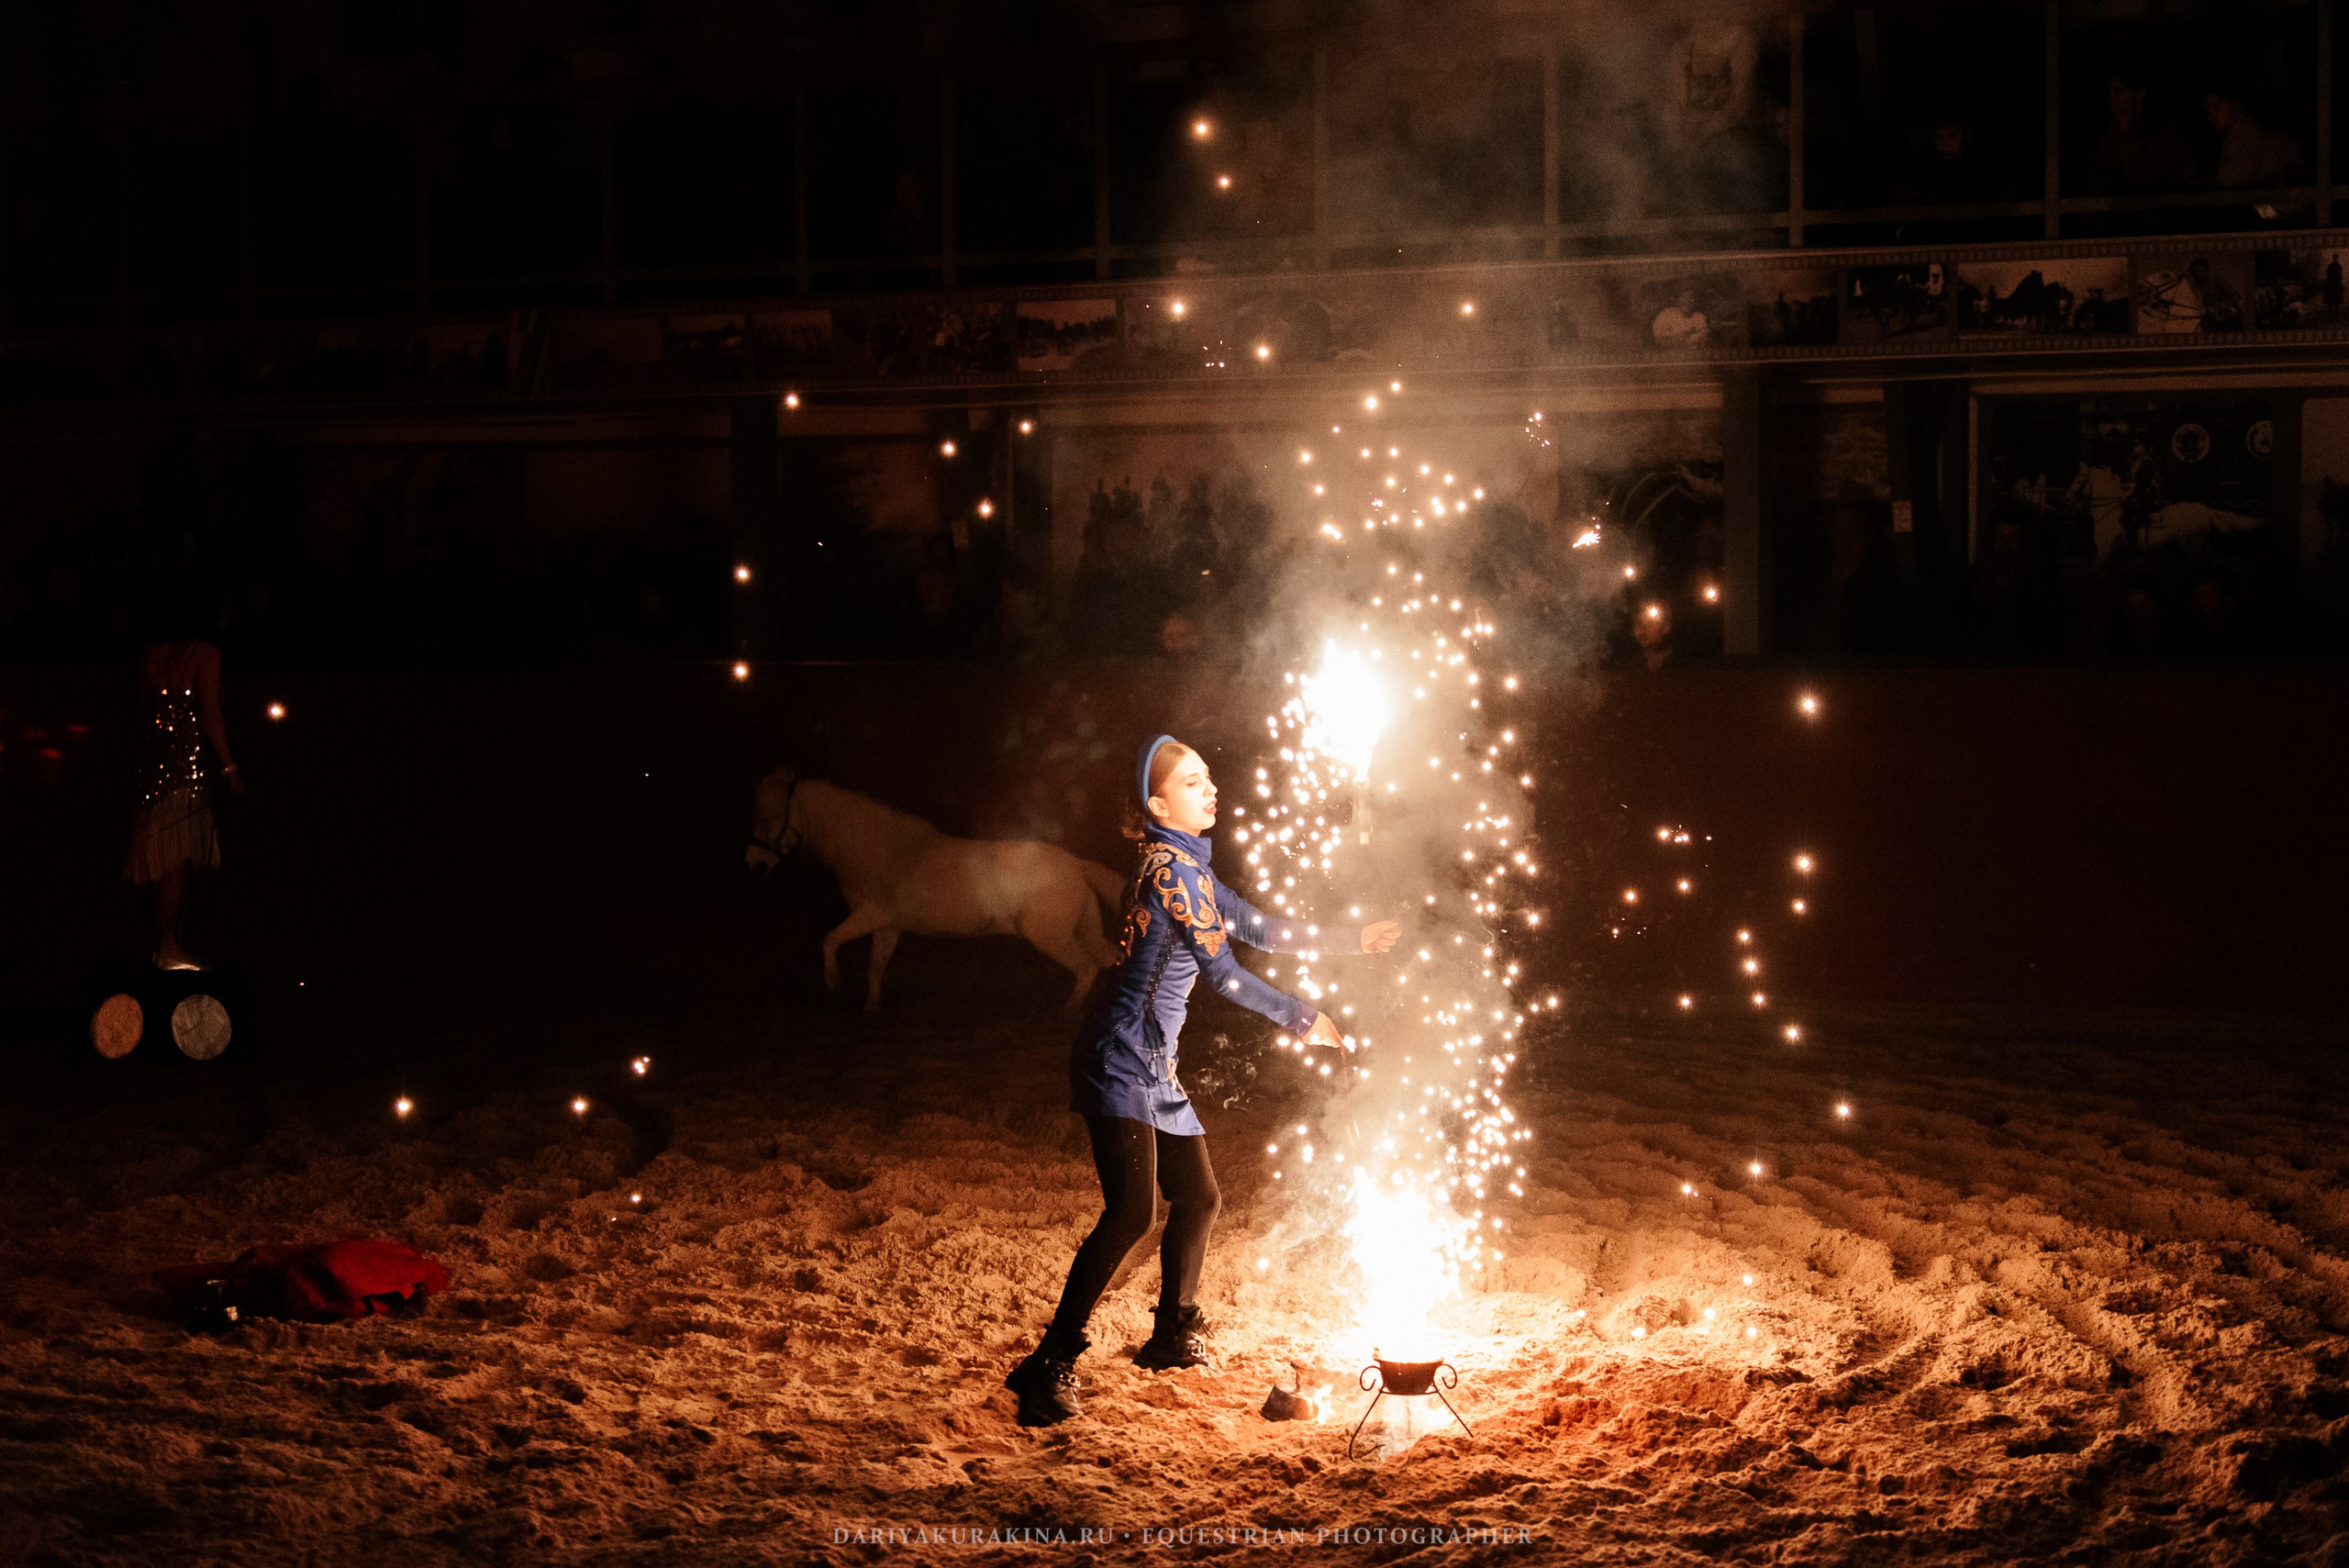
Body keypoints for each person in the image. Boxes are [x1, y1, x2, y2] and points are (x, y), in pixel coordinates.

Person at [1004, 736, 1399, 1427]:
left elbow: (1259, 927)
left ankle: (1173, 1334)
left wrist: (1352, 938)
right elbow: (1224, 974)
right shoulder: (1172, 873)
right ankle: (1049, 1362)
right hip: (1119, 1057)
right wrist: (1303, 1017)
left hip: (1152, 1061)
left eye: (1209, 776)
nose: (1210, 788)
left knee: (1201, 1196)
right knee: (1132, 1213)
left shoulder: (1184, 864)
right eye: (1192, 782)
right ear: (1159, 804)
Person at [127, 633, 242, 970]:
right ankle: (169, 946)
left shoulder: (153, 652)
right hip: (185, 769)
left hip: (154, 768)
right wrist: (229, 766)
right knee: (176, 859)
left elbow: (149, 710)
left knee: (165, 860)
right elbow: (209, 712)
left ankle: (165, 946)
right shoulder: (203, 652)